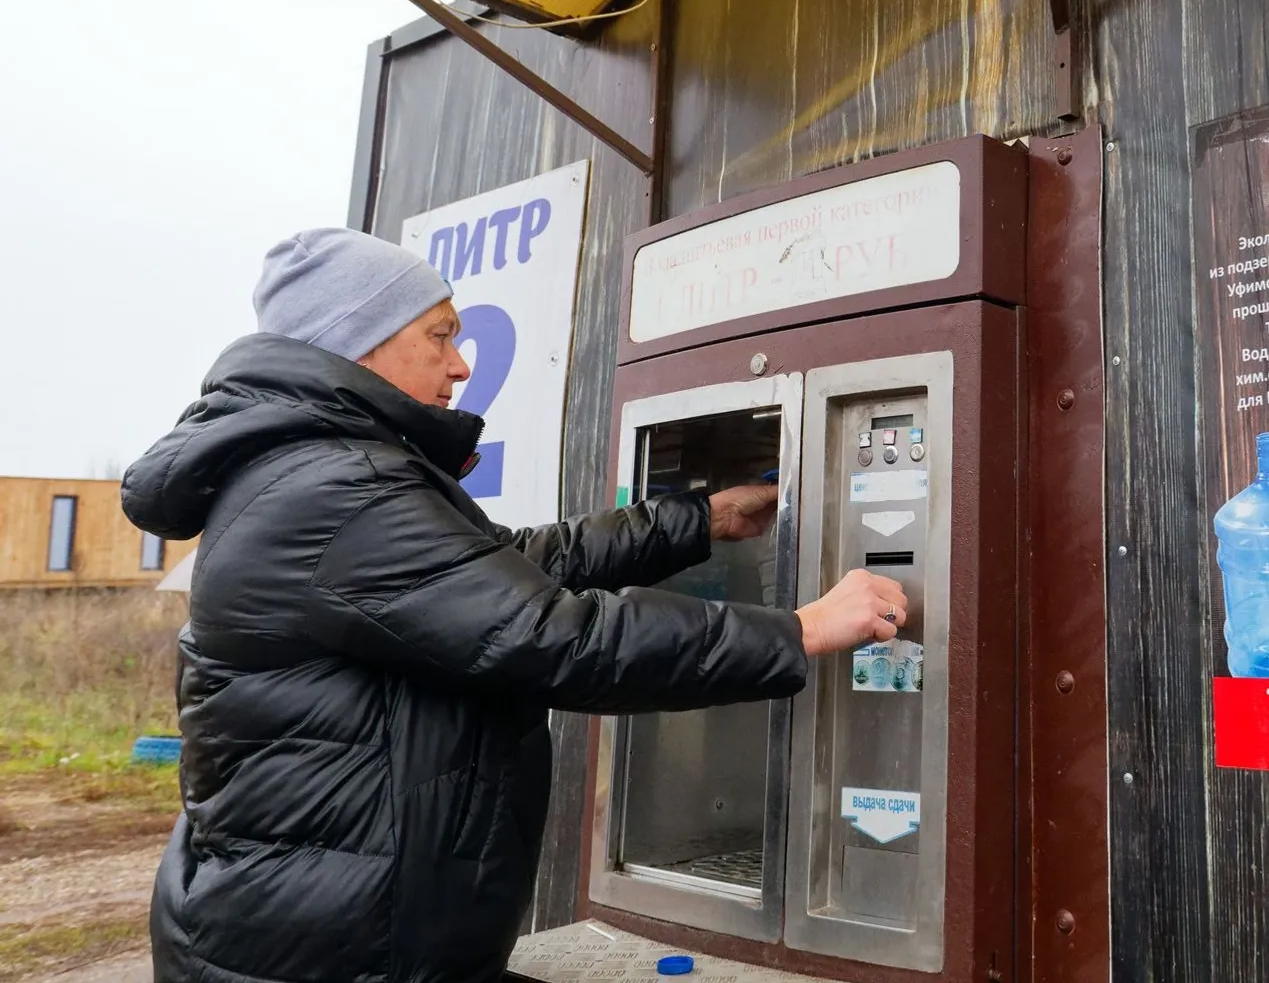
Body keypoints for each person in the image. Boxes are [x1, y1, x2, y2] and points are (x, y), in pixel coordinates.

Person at [122, 227, 908, 983]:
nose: (460, 364)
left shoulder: (314, 472)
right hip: (324, 954)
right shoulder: (335, 488)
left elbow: (507, 568)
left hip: (331, 932)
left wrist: (698, 519)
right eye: (438, 335)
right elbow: (548, 636)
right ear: (357, 341)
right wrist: (797, 630)